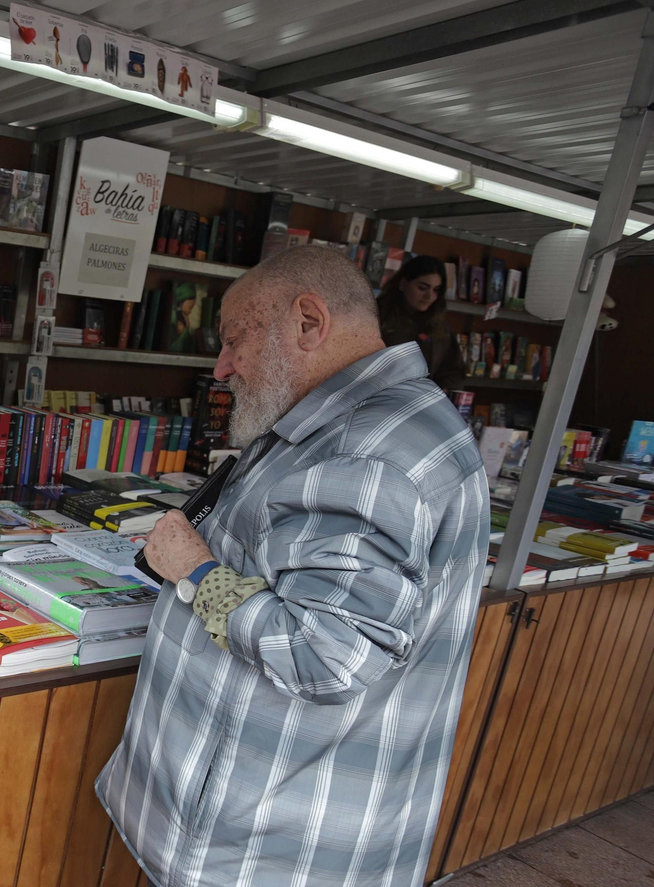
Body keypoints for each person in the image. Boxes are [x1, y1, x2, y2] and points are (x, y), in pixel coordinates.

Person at [99, 245, 487, 887]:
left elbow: (324, 654)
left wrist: (194, 571)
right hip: (273, 819)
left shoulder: (365, 456)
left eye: (234, 341)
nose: (222, 368)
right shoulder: (366, 421)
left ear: (308, 323)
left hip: (267, 845)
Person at [377, 253, 464, 391]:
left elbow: (453, 371)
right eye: (422, 288)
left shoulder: (439, 328)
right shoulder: (376, 318)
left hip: (421, 403)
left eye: (436, 290)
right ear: (403, 284)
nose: (429, 296)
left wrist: (441, 391)